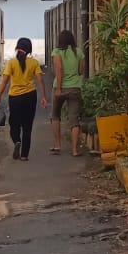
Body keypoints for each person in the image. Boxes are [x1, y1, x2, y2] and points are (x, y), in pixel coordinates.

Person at [0, 38, 46, 161]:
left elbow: (4, 81)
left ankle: (17, 140)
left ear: (17, 48)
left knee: (14, 123)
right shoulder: (34, 63)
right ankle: (24, 155)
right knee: (28, 126)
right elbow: (40, 80)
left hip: (15, 98)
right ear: (29, 50)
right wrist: (43, 96)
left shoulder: (11, 63)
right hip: (30, 96)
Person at [50, 28, 85, 157]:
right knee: (74, 119)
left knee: (55, 116)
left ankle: (58, 144)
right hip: (75, 87)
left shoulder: (57, 52)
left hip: (60, 88)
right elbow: (81, 71)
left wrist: (58, 89)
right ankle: (75, 150)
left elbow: (59, 70)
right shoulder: (79, 52)